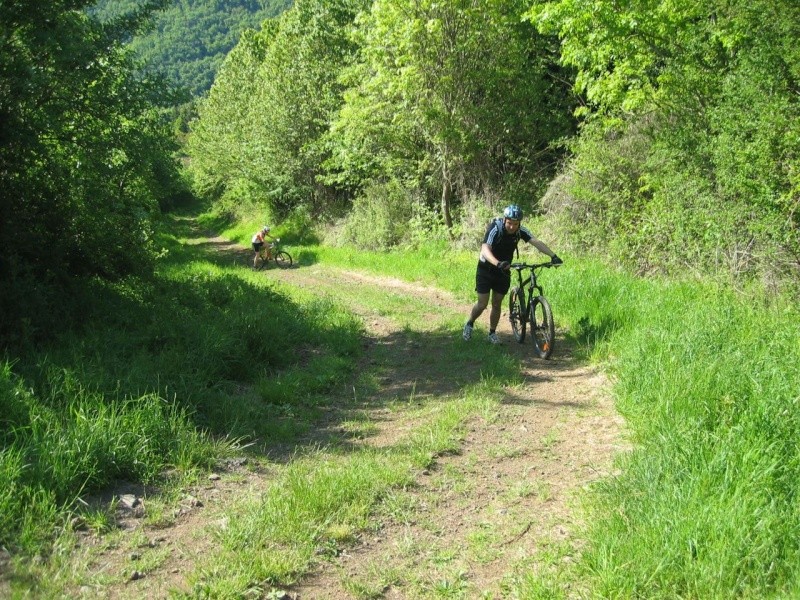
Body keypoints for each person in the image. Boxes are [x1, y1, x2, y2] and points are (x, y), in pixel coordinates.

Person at [463, 204, 562, 344]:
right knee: (482, 303)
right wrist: (497, 263)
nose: (512, 227)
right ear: (505, 220)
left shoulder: (520, 231)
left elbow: (536, 242)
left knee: (497, 303)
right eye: (509, 223)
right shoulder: (495, 228)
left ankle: (492, 333)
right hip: (486, 269)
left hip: (503, 270)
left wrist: (553, 256)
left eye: (515, 224)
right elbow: (485, 249)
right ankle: (470, 323)